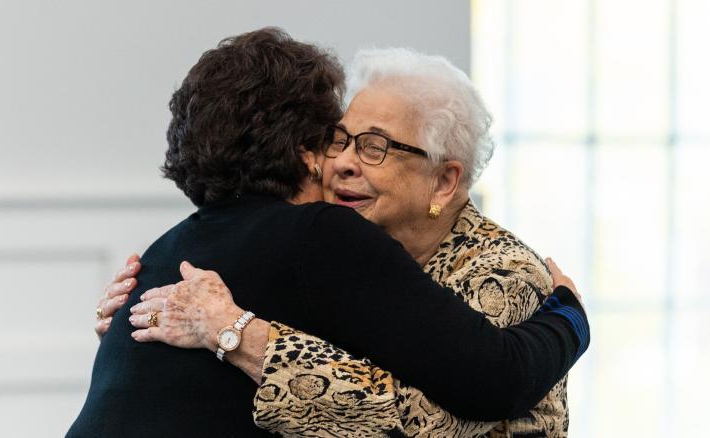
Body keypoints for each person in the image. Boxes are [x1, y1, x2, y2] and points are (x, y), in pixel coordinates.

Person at [77, 28, 588, 438]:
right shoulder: (320, 237)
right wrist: (571, 320)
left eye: (372, 146)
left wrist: (237, 334)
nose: (342, 162)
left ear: (445, 178)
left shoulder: (170, 246)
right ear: (304, 151)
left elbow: (461, 404)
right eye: (338, 140)